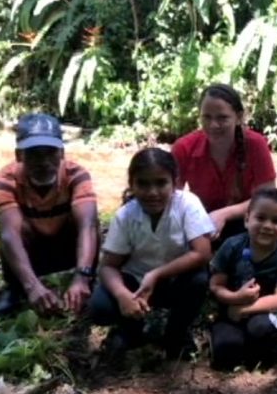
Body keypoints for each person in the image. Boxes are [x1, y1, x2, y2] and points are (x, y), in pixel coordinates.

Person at [88, 148, 215, 360]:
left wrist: (156, 274)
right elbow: (108, 266)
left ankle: (176, 333)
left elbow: (202, 253)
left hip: (175, 281)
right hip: (136, 283)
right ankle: (131, 330)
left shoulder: (187, 204)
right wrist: (122, 295)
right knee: (100, 308)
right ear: (132, 184)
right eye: (143, 184)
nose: (152, 192)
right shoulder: (126, 216)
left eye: (161, 183)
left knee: (199, 279)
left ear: (174, 182)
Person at [0, 113, 99, 316]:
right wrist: (32, 286)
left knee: (89, 219)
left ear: (62, 153)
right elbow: (10, 235)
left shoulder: (76, 175)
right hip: (32, 253)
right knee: (8, 229)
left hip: (66, 249)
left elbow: (88, 227)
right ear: (19, 155)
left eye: (50, 152)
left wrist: (82, 276)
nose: (44, 162)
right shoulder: (5, 180)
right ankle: (17, 287)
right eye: (34, 154)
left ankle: (85, 283)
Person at [172, 83, 276, 246]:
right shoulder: (184, 147)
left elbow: (270, 198)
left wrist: (225, 214)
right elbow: (171, 197)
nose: (213, 125)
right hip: (200, 223)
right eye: (207, 117)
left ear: (239, 117)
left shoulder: (256, 144)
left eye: (222, 118)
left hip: (246, 223)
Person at [208, 187, 277, 371]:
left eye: (276, 221)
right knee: (225, 353)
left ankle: (262, 354)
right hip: (230, 314)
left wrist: (245, 308)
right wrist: (235, 299)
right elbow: (216, 286)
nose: (267, 225)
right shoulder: (232, 245)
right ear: (247, 219)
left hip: (266, 315)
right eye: (260, 218)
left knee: (259, 329)